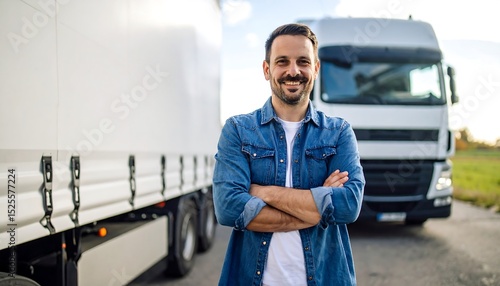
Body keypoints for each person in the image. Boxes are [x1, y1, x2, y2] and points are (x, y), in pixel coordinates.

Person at [213, 23, 365, 286]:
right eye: (282, 61)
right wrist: (318, 208)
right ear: (267, 69)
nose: (293, 71)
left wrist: (263, 192)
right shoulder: (238, 130)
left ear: (316, 69)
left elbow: (349, 205)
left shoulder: (338, 132)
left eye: (303, 62)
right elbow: (228, 208)